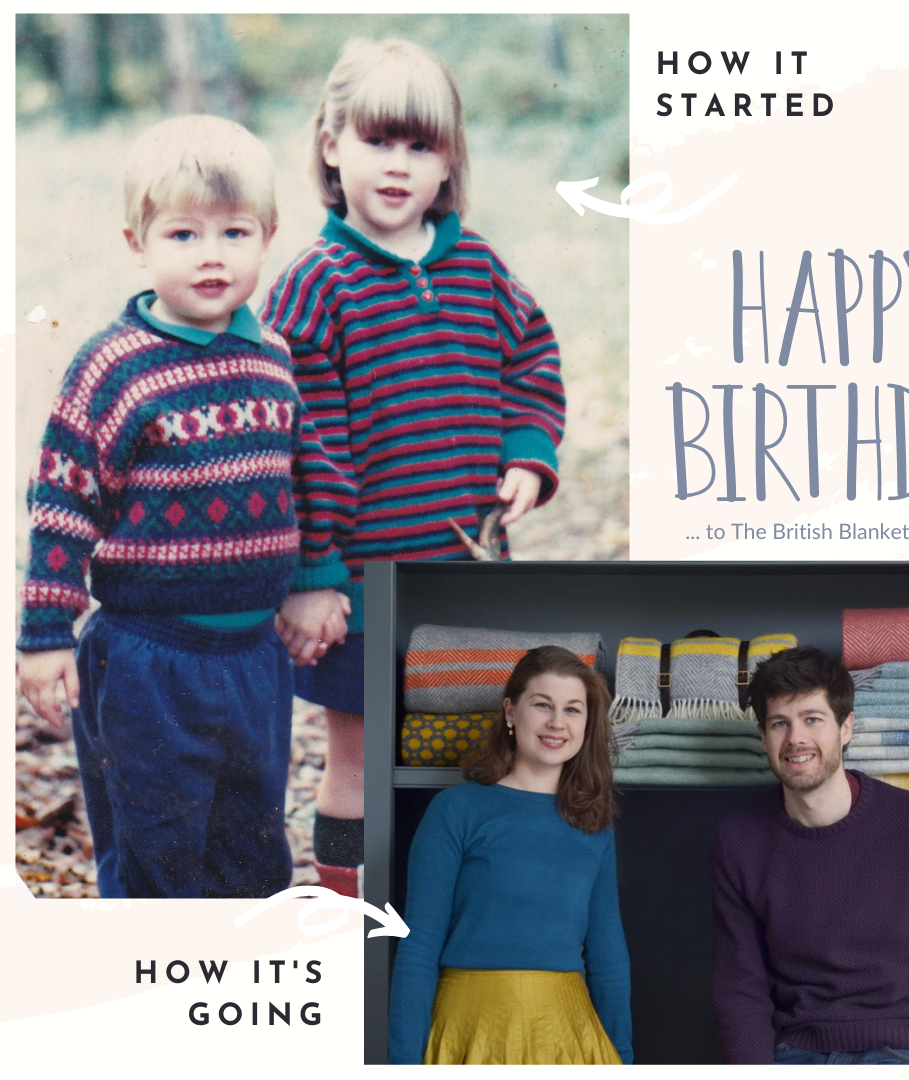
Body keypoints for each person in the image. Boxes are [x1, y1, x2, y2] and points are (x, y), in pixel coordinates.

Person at [17, 114, 356, 899]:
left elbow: (307, 476)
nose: (212, 254)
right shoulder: (116, 366)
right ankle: (152, 971)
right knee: (157, 851)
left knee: (251, 845)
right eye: (183, 234)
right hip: (148, 657)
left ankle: (238, 970)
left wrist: (315, 578)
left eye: (234, 232)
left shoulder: (271, 357)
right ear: (136, 242)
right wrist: (45, 633)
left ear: (268, 236)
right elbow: (63, 501)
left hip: (253, 656)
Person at [263, 38, 567, 899]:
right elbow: (299, 448)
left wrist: (527, 452)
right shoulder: (315, 286)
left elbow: (531, 362)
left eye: (420, 145)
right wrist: (314, 575)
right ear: (331, 145)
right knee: (358, 758)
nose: (398, 165)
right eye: (377, 141)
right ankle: (350, 919)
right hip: (361, 585)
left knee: (467, 749)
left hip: (466, 575)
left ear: (448, 161)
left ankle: (439, 907)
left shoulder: (478, 268)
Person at [710, 646, 909, 1065]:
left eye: (812, 719)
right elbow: (739, 986)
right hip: (797, 1052)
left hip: (899, 1050)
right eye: (780, 723)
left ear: (846, 728)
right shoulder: (738, 841)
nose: (796, 738)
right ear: (763, 737)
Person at [387, 646, 631, 1064]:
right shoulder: (456, 810)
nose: (557, 722)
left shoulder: (595, 823)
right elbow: (418, 949)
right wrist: (402, 1066)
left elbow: (608, 955)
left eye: (573, 709)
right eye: (542, 704)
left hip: (569, 1035)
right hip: (467, 1028)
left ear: (587, 723)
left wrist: (624, 1058)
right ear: (511, 711)